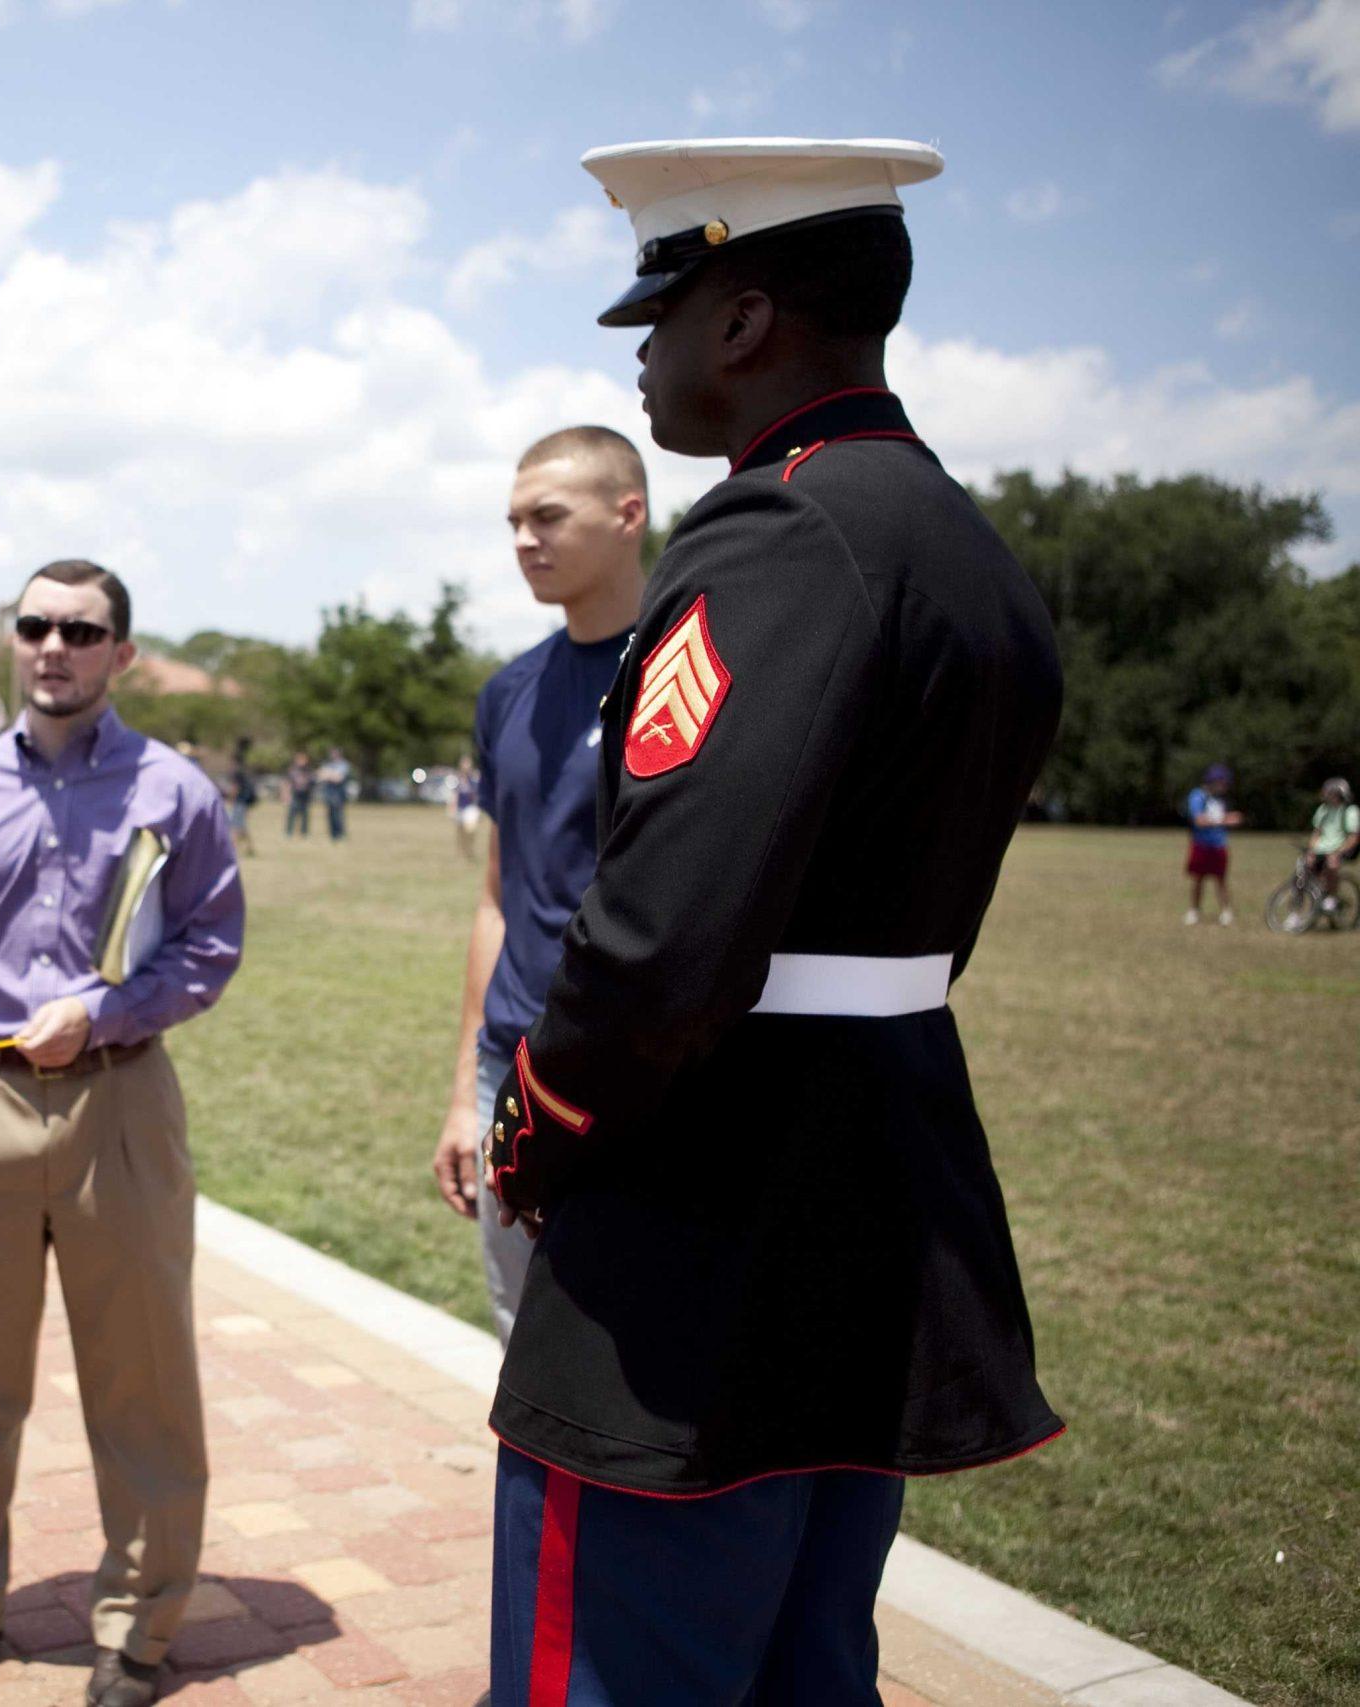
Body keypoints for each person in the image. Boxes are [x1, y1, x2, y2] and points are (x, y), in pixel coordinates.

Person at [482, 139, 1065, 1704]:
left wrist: (541, 1113)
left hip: (701, 1209)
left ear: (745, 323)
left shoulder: (780, 532)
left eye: (661, 314)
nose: (648, 354)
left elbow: (664, 928)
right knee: (804, 1661)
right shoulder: (958, 542)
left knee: (610, 1669)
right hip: (870, 1177)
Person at [0, 559, 244, 1707]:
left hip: (118, 1099)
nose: (52, 646)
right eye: (34, 625)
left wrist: (103, 1010)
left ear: (120, 654)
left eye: (79, 631)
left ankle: (137, 1624)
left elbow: (209, 945)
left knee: (141, 1376)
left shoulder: (174, 791)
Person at [430, 426, 648, 1348]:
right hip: (510, 1073)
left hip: (637, 1073)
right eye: (514, 521)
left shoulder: (689, 675)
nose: (525, 539)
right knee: (522, 1342)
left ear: (628, 514)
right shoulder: (507, 693)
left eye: (549, 516)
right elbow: (497, 896)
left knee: (635, 1351)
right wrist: (461, 1090)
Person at [1184, 763, 1242, 925]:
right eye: (1222, 783)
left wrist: (1230, 818)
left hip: (1219, 845)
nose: (1225, 787)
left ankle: (1226, 911)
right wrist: (1226, 819)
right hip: (1201, 844)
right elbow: (1199, 820)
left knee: (1221, 880)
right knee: (1198, 879)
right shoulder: (1198, 796)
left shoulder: (1220, 800)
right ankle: (1194, 911)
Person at [1306, 777, 1360, 915]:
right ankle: (1313, 899)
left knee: (1332, 864)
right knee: (1304, 868)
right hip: (1322, 848)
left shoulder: (1350, 811)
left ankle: (1332, 898)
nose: (1330, 796)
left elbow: (1353, 837)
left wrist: (1338, 851)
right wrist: (1311, 851)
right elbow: (1316, 834)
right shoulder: (1323, 810)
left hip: (1341, 848)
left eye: (1333, 793)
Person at [225, 736, 259, 858]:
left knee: (235, 826)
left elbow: (235, 787)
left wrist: (230, 799)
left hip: (240, 801)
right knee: (241, 825)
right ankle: (250, 848)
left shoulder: (236, 772)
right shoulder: (243, 769)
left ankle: (231, 850)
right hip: (245, 801)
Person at [316, 747, 351, 840]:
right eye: (332, 753)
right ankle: (333, 835)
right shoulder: (328, 764)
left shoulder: (344, 764)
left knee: (338, 815)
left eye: (334, 753)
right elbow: (320, 776)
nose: (332, 755)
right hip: (329, 793)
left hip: (338, 793)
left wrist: (328, 775)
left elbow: (338, 779)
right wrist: (331, 775)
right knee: (330, 814)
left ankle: (340, 834)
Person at [282, 749, 313, 837]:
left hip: (305, 795)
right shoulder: (292, 770)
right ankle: (289, 832)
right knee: (292, 813)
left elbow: (312, 782)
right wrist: (285, 794)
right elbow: (287, 782)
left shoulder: (308, 770)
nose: (301, 761)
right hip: (295, 794)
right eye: (300, 759)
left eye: (303, 759)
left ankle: (304, 832)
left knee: (305, 815)